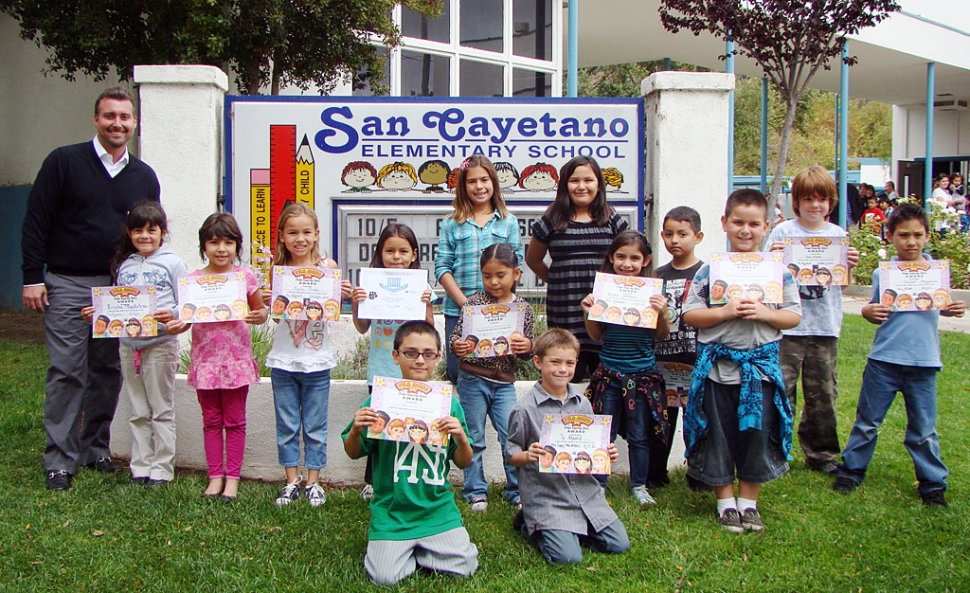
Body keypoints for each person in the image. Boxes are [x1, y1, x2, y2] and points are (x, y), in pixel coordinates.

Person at [21, 87, 161, 491]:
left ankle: (94, 448)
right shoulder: (64, 162)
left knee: (106, 370)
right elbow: (36, 221)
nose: (117, 123)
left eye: (125, 117)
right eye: (110, 116)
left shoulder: (143, 175)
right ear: (96, 119)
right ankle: (59, 461)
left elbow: (148, 233)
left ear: (134, 124)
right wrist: (33, 276)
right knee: (67, 371)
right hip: (67, 282)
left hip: (120, 288)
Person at [681, 189, 802, 533]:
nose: (745, 230)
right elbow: (690, 315)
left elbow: (794, 316)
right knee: (718, 434)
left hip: (760, 370)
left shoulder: (778, 273)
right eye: (738, 222)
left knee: (757, 435)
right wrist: (726, 311)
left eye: (753, 224)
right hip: (718, 371)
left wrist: (765, 312)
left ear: (767, 226)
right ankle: (724, 502)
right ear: (724, 223)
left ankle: (749, 502)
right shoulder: (710, 271)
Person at [833, 204, 966, 508]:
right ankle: (852, 470)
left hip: (924, 361)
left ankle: (932, 482)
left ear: (928, 236)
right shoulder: (885, 273)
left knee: (923, 428)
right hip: (885, 359)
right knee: (867, 421)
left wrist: (950, 308)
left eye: (918, 235)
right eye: (903, 235)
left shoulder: (935, 274)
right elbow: (873, 306)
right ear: (890, 236)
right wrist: (868, 311)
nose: (911, 242)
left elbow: (938, 305)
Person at [342, 321, 478, 585]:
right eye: (410, 352)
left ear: (438, 357)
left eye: (428, 354)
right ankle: (414, 550)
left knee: (466, 566)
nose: (419, 360)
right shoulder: (379, 400)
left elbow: (464, 461)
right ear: (396, 356)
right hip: (393, 510)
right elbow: (353, 453)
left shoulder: (449, 404)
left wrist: (461, 437)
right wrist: (356, 431)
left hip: (436, 508)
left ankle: (418, 548)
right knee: (384, 577)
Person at [79, 202, 186, 488]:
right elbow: (117, 304)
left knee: (161, 408)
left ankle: (162, 469)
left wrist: (173, 314)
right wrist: (98, 311)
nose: (145, 236)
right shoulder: (125, 265)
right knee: (138, 410)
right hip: (128, 346)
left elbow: (188, 304)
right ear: (129, 233)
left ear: (162, 232)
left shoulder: (173, 263)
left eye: (151, 230)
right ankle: (140, 467)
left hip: (161, 344)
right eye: (138, 231)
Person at [165, 213, 268, 500]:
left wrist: (259, 314)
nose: (221, 249)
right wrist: (178, 324)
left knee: (235, 420)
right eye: (214, 242)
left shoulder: (244, 277)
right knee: (211, 420)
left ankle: (232, 478)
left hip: (236, 360)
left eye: (228, 242)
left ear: (237, 246)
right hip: (206, 361)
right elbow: (187, 319)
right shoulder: (193, 281)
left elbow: (260, 313)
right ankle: (214, 476)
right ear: (203, 247)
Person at [506, 328, 630, 565]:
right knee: (568, 558)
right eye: (554, 362)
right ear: (538, 362)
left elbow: (592, 446)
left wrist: (606, 452)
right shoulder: (524, 410)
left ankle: (567, 529)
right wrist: (527, 455)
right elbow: (510, 453)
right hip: (548, 495)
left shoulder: (582, 403)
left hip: (584, 491)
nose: (562, 369)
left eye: (569, 363)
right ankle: (530, 524)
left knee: (619, 545)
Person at [768, 166, 860, 476]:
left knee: (823, 394)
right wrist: (774, 259)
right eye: (807, 199)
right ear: (796, 201)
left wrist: (848, 267)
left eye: (822, 199)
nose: (815, 205)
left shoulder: (838, 236)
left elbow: (842, 284)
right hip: (787, 326)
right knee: (781, 392)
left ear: (831, 202)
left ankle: (822, 454)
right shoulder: (783, 232)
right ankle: (775, 452)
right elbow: (766, 279)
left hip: (824, 326)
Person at [264, 204, 351, 507]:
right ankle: (291, 481)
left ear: (316, 235)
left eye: (305, 232)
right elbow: (276, 320)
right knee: (287, 424)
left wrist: (339, 293)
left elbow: (331, 313)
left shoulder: (328, 266)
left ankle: (314, 481)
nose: (299, 238)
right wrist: (269, 301)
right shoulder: (278, 270)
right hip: (284, 359)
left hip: (317, 360)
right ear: (283, 237)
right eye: (292, 232)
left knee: (315, 424)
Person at [580, 231, 669, 505]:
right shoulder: (604, 291)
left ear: (646, 260)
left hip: (642, 376)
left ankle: (639, 486)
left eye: (634, 258)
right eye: (621, 257)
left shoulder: (653, 293)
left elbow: (660, 336)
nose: (627, 264)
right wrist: (588, 311)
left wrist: (663, 313)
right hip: (609, 374)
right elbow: (595, 335)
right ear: (611, 257)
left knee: (640, 435)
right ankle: (599, 485)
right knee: (603, 432)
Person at [527, 156, 629, 382]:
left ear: (599, 184)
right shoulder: (552, 218)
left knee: (606, 381)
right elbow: (533, 260)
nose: (581, 186)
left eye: (588, 180)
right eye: (574, 181)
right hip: (565, 313)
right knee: (564, 379)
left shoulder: (611, 218)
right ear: (564, 184)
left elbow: (628, 258)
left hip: (604, 314)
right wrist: (558, 280)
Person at [351, 222, 435, 500]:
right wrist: (356, 303)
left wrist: (426, 304)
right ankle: (372, 480)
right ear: (380, 253)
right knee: (378, 426)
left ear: (414, 254)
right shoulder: (370, 285)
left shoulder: (422, 287)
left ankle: (403, 476)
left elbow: (429, 329)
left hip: (411, 371)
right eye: (389, 251)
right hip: (381, 370)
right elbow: (362, 327)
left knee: (407, 423)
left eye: (403, 251)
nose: (396, 257)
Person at [450, 244, 535, 511]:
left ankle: (515, 490)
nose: (494, 281)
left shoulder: (522, 309)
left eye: (501, 275)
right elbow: (457, 336)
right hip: (473, 378)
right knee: (473, 435)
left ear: (516, 274)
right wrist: (457, 346)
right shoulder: (474, 304)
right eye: (487, 275)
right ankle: (475, 490)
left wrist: (527, 347)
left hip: (504, 383)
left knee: (511, 435)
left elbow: (528, 349)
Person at [435, 155, 523, 384]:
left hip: (499, 311)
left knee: (496, 370)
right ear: (463, 186)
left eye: (484, 179)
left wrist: (500, 300)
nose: (479, 186)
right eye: (472, 181)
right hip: (459, 311)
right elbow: (442, 267)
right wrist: (467, 305)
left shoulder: (508, 221)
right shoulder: (451, 222)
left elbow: (516, 262)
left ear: (493, 182)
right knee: (458, 372)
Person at [651, 206, 706, 489]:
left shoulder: (706, 274)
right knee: (663, 421)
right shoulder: (655, 275)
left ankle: (699, 473)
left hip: (696, 361)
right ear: (662, 235)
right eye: (669, 234)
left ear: (698, 236)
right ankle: (656, 474)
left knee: (697, 419)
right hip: (661, 362)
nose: (675, 240)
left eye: (682, 234)